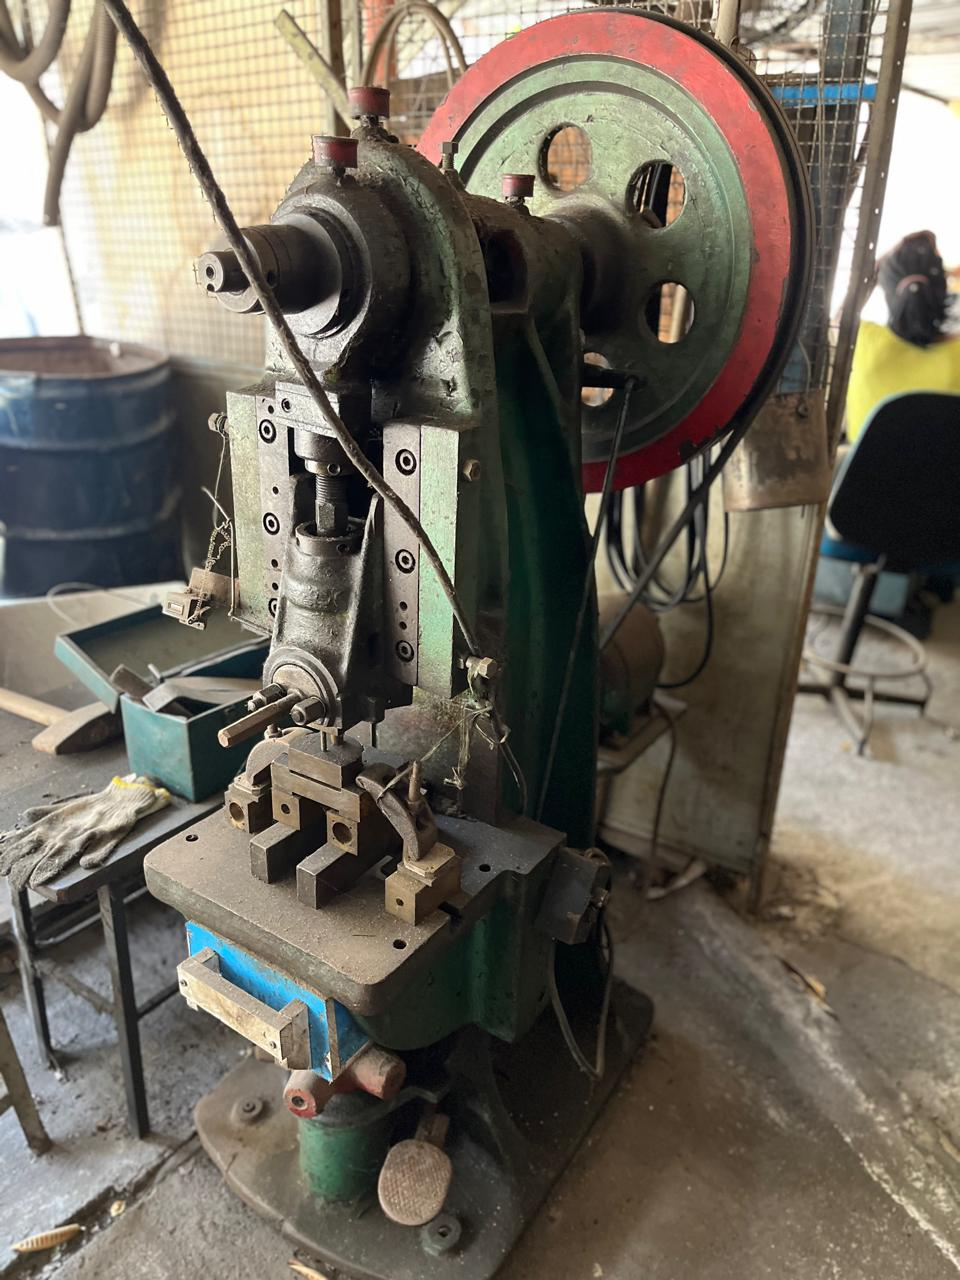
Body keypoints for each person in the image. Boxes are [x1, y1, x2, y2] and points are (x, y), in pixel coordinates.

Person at [845, 230, 960, 443]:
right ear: (943, 288)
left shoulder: (861, 342)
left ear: (887, 287)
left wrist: (884, 264)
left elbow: (839, 318)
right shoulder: (956, 357)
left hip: (869, 466)